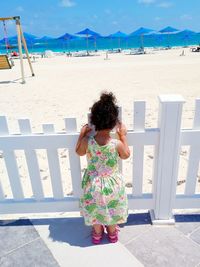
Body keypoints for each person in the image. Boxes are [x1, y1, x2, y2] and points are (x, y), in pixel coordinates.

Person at [75, 92, 130, 244]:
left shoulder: (88, 141)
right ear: (114, 123)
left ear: (94, 121)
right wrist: (123, 136)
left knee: (95, 209)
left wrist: (81, 135)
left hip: (93, 183)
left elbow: (78, 152)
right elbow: (126, 155)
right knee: (111, 209)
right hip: (112, 184)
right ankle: (112, 234)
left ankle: (97, 233)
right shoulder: (116, 144)